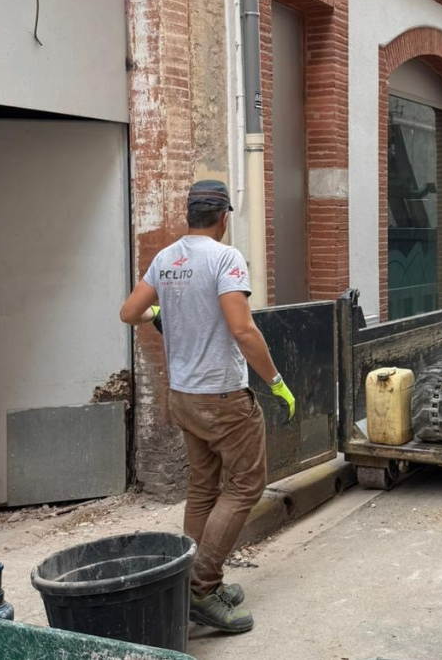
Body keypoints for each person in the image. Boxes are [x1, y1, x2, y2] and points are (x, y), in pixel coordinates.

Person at [119, 179, 296, 633]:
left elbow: (129, 313)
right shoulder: (224, 257)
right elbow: (243, 329)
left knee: (203, 489)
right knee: (244, 487)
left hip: (183, 395)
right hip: (221, 397)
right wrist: (275, 380)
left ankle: (188, 582)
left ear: (189, 215)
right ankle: (202, 588)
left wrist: (158, 315)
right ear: (223, 217)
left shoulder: (167, 257)